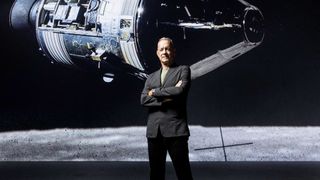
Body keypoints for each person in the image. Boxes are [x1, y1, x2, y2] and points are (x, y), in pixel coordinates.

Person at [140, 37, 193, 180]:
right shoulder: (151, 77)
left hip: (176, 132)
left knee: (184, 174)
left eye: (167, 49)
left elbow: (180, 92)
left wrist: (155, 93)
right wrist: (167, 98)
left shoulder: (183, 70)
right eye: (161, 49)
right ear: (157, 53)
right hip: (154, 133)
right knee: (156, 175)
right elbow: (144, 99)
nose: (165, 52)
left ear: (173, 52)